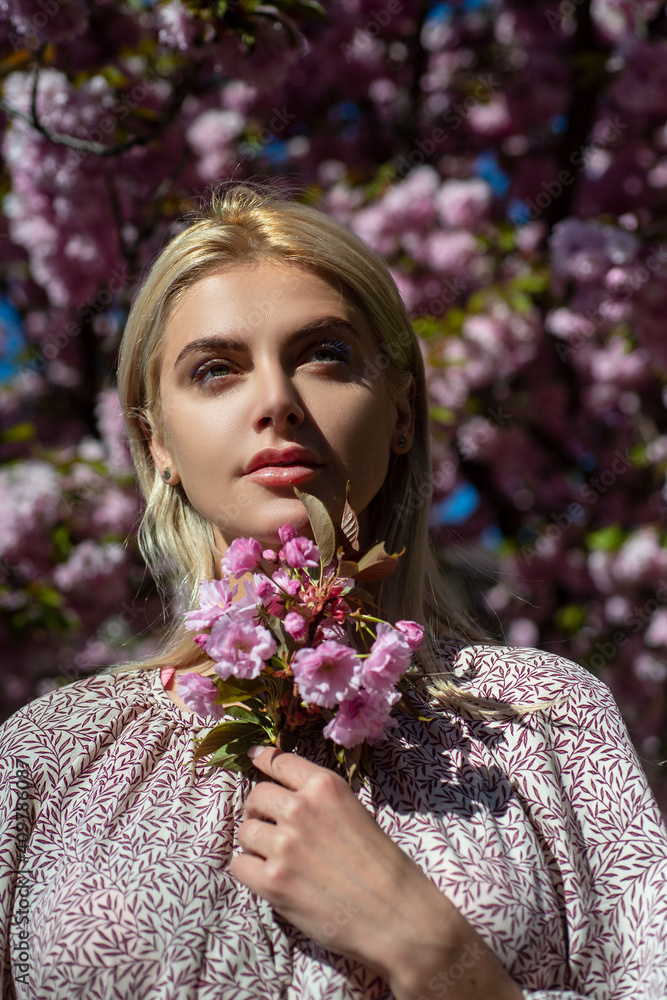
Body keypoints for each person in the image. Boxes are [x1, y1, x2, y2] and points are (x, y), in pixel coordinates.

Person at [1, 183, 666, 1000]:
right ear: (156, 440)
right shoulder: (51, 759)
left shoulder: (542, 723)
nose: (277, 401)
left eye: (324, 355)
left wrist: (437, 958)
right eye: (215, 370)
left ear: (399, 413)